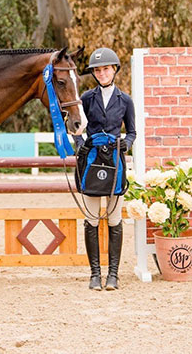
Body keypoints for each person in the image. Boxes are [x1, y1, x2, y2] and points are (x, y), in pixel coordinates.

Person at [74, 48, 136, 291]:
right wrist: (80, 146)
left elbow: (131, 131)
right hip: (92, 158)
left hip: (114, 159)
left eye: (105, 69)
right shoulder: (87, 98)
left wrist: (126, 145)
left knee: (113, 219)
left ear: (114, 70)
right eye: (97, 70)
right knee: (91, 219)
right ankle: (94, 274)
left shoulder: (125, 100)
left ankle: (113, 274)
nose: (101, 73)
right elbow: (76, 127)